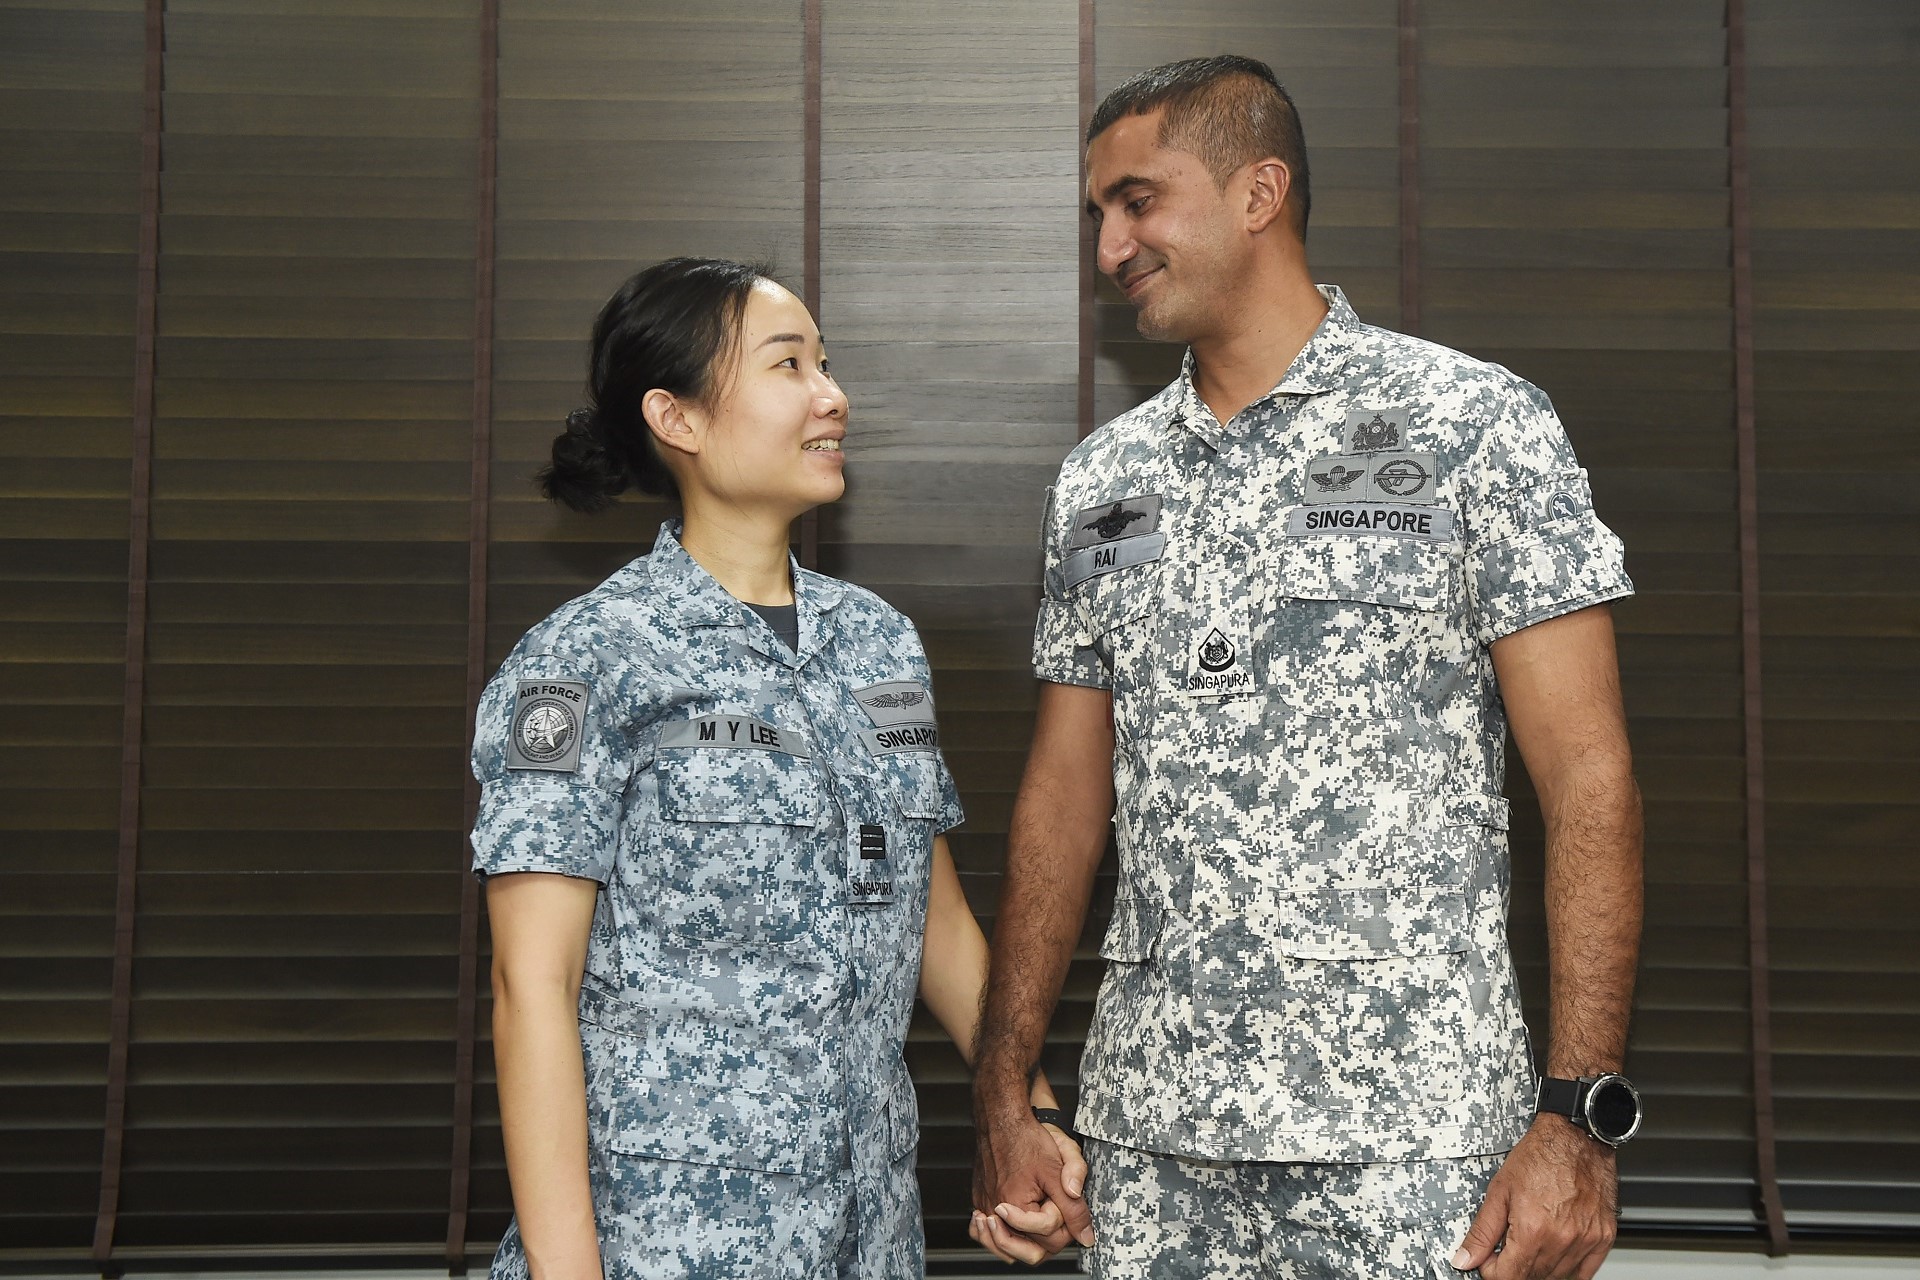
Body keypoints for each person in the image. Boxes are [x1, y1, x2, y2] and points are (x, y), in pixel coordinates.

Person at [970, 57, 1645, 1280]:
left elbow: (1587, 776)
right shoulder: (1101, 481)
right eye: (1098, 214)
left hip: (1417, 1151)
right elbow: (1062, 802)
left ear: (1258, 192)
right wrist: (1004, 1091)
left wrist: (1577, 1119)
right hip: (1153, 1155)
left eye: (1138, 201)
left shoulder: (1472, 425)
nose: (1111, 246)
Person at [469, 257, 1083, 1280]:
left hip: (869, 1234)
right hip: (664, 1241)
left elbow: (932, 925)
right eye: (788, 365)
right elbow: (532, 983)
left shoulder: (879, 644)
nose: (831, 395)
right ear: (676, 417)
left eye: (827, 365)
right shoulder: (588, 658)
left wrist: (1030, 1118)